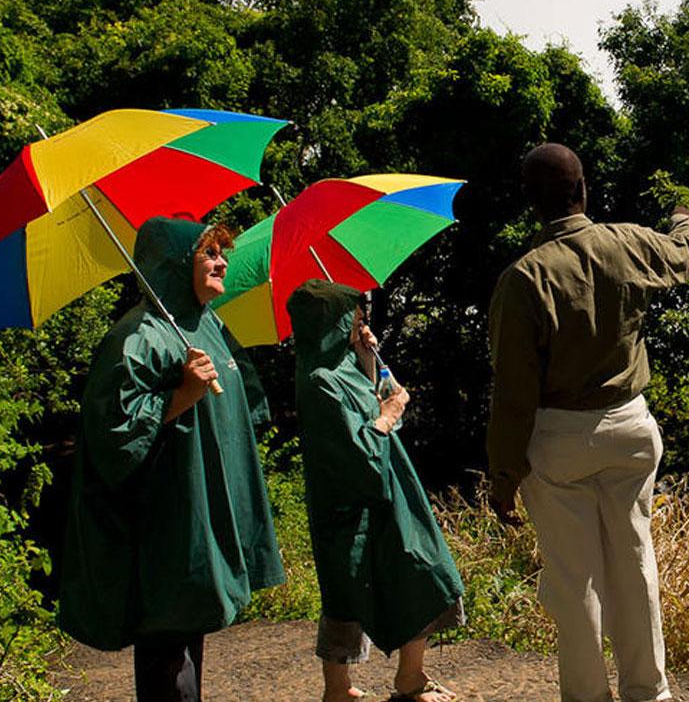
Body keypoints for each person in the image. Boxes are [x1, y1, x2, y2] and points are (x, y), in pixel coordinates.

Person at [487, 143, 689, 702]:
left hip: (560, 439)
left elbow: (513, 395)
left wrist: (502, 474)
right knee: (636, 564)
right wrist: (686, 219)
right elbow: (687, 252)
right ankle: (648, 692)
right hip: (630, 429)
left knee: (574, 582)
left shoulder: (523, 280)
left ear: (531, 205)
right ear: (583, 189)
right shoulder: (626, 243)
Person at [58, 216, 284, 702]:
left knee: (190, 632)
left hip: (203, 510)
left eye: (222, 251)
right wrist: (180, 395)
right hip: (167, 524)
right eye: (209, 253)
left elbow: (248, 405)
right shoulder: (139, 337)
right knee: (169, 644)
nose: (222, 261)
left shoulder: (207, 325)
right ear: (176, 264)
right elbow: (113, 438)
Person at [288, 279, 465, 702]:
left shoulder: (346, 365)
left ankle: (411, 677)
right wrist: (387, 414)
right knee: (346, 591)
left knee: (421, 568)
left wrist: (370, 363)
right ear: (331, 321)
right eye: (354, 314)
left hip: (389, 491)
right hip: (347, 502)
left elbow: (384, 402)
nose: (362, 320)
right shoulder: (318, 380)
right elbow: (361, 445)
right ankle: (338, 689)